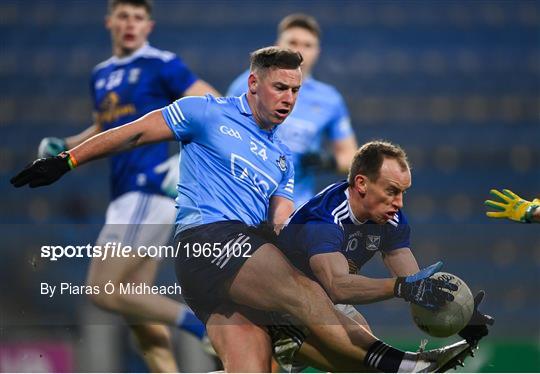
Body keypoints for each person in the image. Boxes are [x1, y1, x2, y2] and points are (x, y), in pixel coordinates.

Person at [12, 46, 477, 373]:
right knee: (306, 295)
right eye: (280, 88)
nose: (289, 100)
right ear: (254, 82)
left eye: (295, 91)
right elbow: (135, 130)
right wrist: (68, 158)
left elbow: (280, 219)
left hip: (237, 266)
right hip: (206, 240)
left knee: (261, 367)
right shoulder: (205, 112)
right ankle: (404, 364)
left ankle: (388, 365)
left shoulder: (282, 157)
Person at [35, 0, 220, 371]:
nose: (131, 23)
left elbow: (213, 106)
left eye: (138, 17)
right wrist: (66, 146)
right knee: (140, 316)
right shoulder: (101, 74)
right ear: (110, 22)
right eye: (123, 16)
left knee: (102, 289)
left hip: (148, 190)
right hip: (124, 196)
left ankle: (206, 329)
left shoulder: (161, 64)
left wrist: (181, 162)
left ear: (149, 26)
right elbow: (107, 127)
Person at [270, 140, 494, 371]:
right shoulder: (325, 220)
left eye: (403, 192)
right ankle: (411, 365)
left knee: (365, 354)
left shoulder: (389, 220)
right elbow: (337, 286)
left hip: (319, 306)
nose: (399, 203)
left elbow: (414, 281)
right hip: (273, 311)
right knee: (364, 358)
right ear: (361, 184)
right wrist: (400, 287)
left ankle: (410, 366)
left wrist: (461, 314)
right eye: (392, 191)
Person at [228, 13, 358, 207]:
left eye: (308, 45)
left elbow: (350, 157)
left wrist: (326, 161)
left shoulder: (329, 99)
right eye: (293, 42)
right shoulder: (248, 83)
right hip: (246, 199)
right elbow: (222, 129)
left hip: (295, 206)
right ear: (278, 45)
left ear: (318, 51)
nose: (299, 50)